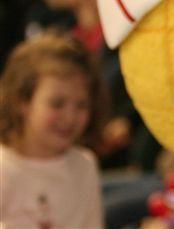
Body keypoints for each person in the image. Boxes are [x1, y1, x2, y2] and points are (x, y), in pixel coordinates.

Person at [0, 33, 107, 227]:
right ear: (22, 101)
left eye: (81, 105)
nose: (70, 117)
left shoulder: (85, 164)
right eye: (57, 104)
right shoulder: (5, 169)